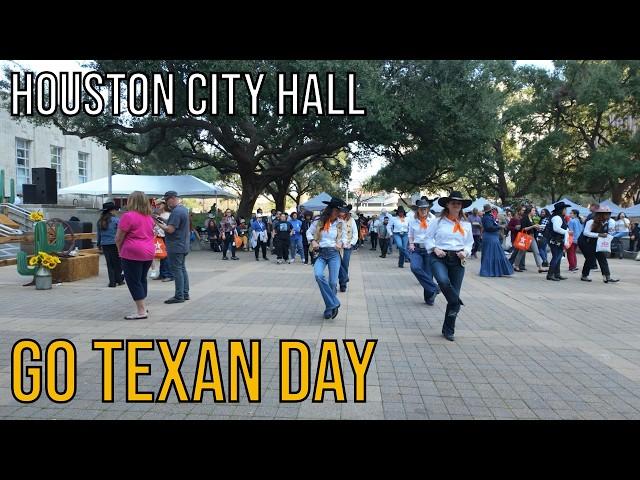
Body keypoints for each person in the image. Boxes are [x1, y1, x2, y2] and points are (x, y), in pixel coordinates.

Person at [426, 191, 474, 341]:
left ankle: (448, 329)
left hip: (457, 260)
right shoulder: (438, 221)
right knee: (443, 281)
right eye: (453, 202)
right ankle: (456, 302)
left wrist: (465, 252)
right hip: (439, 257)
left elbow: (469, 243)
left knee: (454, 293)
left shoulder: (465, 224)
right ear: (447, 204)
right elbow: (427, 238)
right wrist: (434, 248)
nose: (456, 205)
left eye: (459, 203)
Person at [115, 191, 155, 319]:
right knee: (142, 279)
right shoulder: (149, 217)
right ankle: (143, 306)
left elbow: (119, 237)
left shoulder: (128, 216)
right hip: (148, 251)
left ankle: (141, 311)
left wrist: (119, 250)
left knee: (133, 281)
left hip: (132, 252)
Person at [306, 197, 347, 319]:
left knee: (333, 282)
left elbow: (345, 237)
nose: (338, 213)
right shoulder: (319, 221)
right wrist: (313, 241)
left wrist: (341, 243)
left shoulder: (341, 223)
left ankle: (329, 308)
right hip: (321, 253)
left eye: (339, 211)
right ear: (330, 210)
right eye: (336, 210)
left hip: (334, 254)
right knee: (318, 275)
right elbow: (308, 232)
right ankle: (334, 303)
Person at [156, 191, 191, 303]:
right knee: (182, 269)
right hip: (183, 245)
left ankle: (179, 295)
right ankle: (185, 293)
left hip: (175, 246)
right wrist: (161, 219)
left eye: (166, 201)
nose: (166, 203)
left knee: (177, 271)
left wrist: (156, 223)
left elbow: (170, 229)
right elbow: (173, 223)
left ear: (171, 199)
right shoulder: (183, 209)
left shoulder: (176, 212)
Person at [408, 199, 440, 305]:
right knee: (415, 267)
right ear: (418, 210)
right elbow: (410, 235)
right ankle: (434, 287)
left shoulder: (433, 220)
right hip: (417, 249)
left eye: (425, 208)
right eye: (421, 208)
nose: (423, 210)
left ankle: (430, 298)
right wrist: (411, 244)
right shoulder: (413, 220)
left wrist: (437, 247)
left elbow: (437, 235)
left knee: (428, 274)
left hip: (429, 250)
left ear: (428, 209)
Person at [579, 206, 619, 283]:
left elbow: (606, 233)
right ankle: (584, 275)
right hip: (586, 242)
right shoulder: (591, 221)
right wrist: (599, 234)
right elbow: (586, 233)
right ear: (600, 214)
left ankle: (607, 277)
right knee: (590, 259)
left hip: (597, 243)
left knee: (602, 259)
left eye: (609, 214)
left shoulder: (606, 222)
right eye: (606, 214)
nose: (608, 216)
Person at [479, 204, 514, 277]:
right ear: (490, 210)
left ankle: (493, 270)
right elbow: (489, 227)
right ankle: (490, 271)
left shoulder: (488, 217)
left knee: (492, 254)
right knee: (492, 254)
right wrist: (499, 227)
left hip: (491, 237)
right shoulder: (487, 218)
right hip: (490, 238)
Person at [97, 201, 124, 288]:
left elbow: (99, 234)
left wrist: (99, 244)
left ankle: (112, 282)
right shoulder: (116, 220)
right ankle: (119, 280)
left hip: (105, 244)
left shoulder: (100, 221)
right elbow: (120, 233)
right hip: (115, 244)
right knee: (117, 263)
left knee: (109, 263)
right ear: (112, 211)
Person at [513, 207, 547, 274]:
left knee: (536, 251)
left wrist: (537, 228)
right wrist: (533, 226)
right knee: (521, 251)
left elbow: (532, 227)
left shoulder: (532, 218)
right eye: (533, 210)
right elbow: (523, 229)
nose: (535, 212)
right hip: (526, 237)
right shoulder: (525, 218)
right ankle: (516, 265)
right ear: (529, 211)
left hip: (532, 236)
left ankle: (540, 267)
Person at [544, 201, 570, 282]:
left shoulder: (559, 217)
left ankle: (557, 274)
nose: (566, 211)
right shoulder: (557, 217)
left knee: (558, 257)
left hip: (557, 240)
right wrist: (566, 232)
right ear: (561, 209)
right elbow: (556, 228)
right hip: (555, 240)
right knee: (556, 257)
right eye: (565, 209)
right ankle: (550, 274)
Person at [338, 204, 358, 292]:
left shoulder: (352, 220)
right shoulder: (337, 220)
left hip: (348, 246)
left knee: (345, 264)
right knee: (338, 264)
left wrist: (352, 243)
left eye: (343, 212)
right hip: (338, 246)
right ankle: (344, 280)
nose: (341, 214)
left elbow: (355, 234)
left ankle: (343, 283)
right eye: (340, 212)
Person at [152, 199, 174, 282]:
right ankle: (163, 274)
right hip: (159, 236)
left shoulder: (168, 214)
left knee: (165, 256)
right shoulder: (159, 214)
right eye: (156, 204)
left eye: (159, 204)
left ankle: (168, 274)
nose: (157, 206)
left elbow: (167, 226)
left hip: (166, 236)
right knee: (162, 256)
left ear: (164, 204)